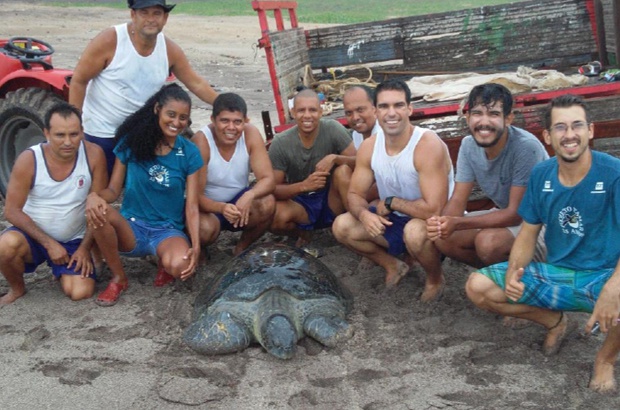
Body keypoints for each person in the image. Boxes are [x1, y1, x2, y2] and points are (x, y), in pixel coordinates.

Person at [465, 95, 620, 392]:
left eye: (577, 125)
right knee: (478, 286)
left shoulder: (614, 174)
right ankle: (553, 321)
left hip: (603, 274)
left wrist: (615, 285)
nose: (570, 134)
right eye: (560, 127)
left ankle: (605, 360)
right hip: (557, 273)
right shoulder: (542, 174)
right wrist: (515, 271)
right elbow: (528, 232)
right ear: (548, 136)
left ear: (591, 130)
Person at [332, 79, 454, 302]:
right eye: (384, 106)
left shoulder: (426, 144)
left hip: (435, 224)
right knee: (342, 225)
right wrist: (364, 214)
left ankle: (435, 278)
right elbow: (354, 194)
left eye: (398, 105)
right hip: (395, 218)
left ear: (409, 108)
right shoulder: (370, 146)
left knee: (415, 233)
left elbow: (434, 209)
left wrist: (391, 202)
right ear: (376, 111)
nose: (391, 113)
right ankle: (392, 264)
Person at [69, 0, 218, 176]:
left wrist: (227, 106)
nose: (151, 19)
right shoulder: (110, 41)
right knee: (99, 190)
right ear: (133, 15)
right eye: (144, 13)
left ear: (165, 18)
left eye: (156, 13)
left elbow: (196, 83)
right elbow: (79, 80)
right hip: (102, 133)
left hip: (141, 135)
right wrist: (74, 125)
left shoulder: (169, 50)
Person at [85, 84, 203, 307]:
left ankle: (164, 263)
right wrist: (94, 196)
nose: (176, 122)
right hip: (131, 226)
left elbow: (192, 206)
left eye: (183, 118)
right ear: (157, 109)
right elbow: (112, 190)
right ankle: (119, 277)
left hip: (167, 230)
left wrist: (195, 246)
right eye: (171, 114)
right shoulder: (132, 143)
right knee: (98, 211)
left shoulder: (189, 152)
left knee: (181, 266)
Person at [423, 83, 548, 268]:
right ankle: (494, 279)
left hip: (544, 222)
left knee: (488, 243)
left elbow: (515, 214)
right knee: (444, 240)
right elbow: (458, 199)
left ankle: (525, 283)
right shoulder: (468, 145)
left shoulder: (525, 147)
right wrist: (442, 224)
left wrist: (456, 223)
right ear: (467, 118)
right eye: (477, 113)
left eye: (494, 114)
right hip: (509, 215)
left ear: (508, 119)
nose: (484, 122)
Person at [0, 103, 108, 305]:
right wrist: (49, 244)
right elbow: (11, 211)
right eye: (60, 135)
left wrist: (84, 248)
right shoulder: (29, 159)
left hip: (74, 239)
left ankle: (63, 271)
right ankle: (17, 289)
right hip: (34, 238)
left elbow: (99, 208)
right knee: (5, 246)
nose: (68, 142)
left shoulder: (94, 155)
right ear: (46, 133)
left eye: (74, 134)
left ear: (82, 132)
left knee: (80, 292)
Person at [268, 89, 356, 247]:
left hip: (332, 198)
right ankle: (303, 233)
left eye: (313, 110)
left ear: (321, 112)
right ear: (293, 112)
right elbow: (272, 189)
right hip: (300, 202)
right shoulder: (280, 143)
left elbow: (359, 163)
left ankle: (353, 229)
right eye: (301, 110)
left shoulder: (333, 129)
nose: (307, 116)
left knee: (343, 171)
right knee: (274, 215)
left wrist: (335, 158)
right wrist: (304, 185)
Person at [191, 93, 275, 256]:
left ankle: (241, 248)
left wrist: (250, 195)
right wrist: (221, 208)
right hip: (210, 209)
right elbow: (195, 198)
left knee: (268, 203)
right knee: (204, 229)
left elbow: (268, 179)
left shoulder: (250, 134)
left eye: (237, 122)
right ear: (213, 120)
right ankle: (201, 251)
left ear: (245, 121)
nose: (231, 128)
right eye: (224, 121)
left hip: (240, 204)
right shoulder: (201, 141)